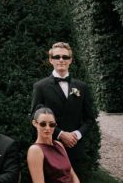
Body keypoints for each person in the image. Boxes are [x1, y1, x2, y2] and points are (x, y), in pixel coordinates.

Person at [30, 42, 96, 173]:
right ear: (51, 60)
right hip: (50, 144)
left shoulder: (82, 87)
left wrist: (76, 135)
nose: (61, 60)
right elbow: (34, 117)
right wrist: (60, 134)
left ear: (70, 60)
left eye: (65, 57)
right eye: (57, 57)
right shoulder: (40, 87)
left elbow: (89, 119)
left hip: (74, 146)